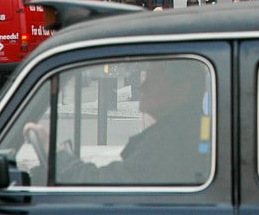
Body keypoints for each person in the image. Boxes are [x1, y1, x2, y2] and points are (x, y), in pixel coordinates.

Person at [25, 59, 209, 185]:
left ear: (182, 88)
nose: (142, 86)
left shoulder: (171, 142)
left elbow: (103, 184)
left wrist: (53, 151)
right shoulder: (184, 130)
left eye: (154, 78)